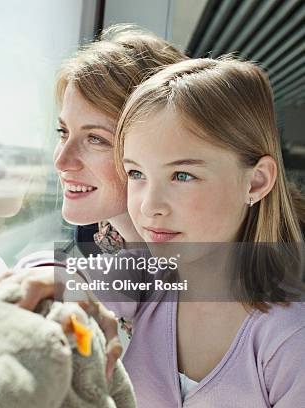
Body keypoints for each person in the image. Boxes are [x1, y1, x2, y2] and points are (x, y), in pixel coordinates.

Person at [0, 24, 187, 379]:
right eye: (64, 133)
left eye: (96, 139)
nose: (62, 160)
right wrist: (50, 273)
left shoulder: (206, 270)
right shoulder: (102, 240)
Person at [106, 57, 305, 407]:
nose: (151, 205)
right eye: (136, 174)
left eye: (182, 176)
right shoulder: (144, 281)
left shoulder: (290, 339)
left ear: (256, 181)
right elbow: (69, 276)